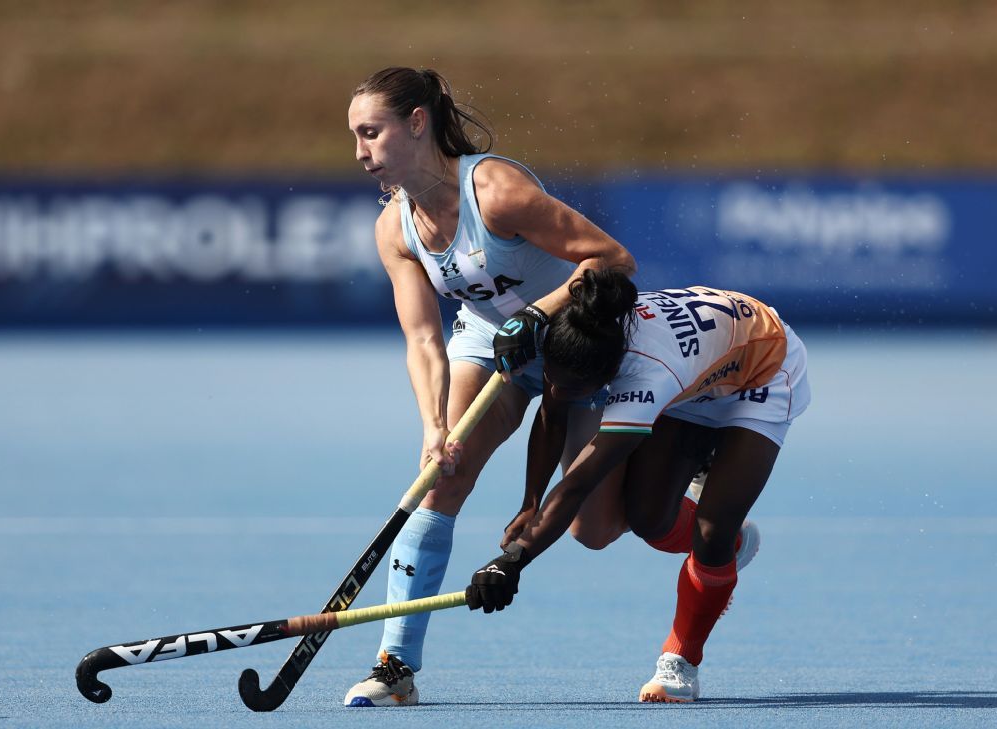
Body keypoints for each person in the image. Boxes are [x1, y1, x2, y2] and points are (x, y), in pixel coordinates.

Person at [343, 67, 637, 707]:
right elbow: (423, 340)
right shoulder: (395, 229)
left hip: (571, 345)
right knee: (440, 478)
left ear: (417, 123)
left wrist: (538, 315)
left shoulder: (496, 191)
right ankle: (397, 667)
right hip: (488, 343)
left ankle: (682, 476)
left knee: (591, 528)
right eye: (356, 137)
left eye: (371, 134)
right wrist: (434, 429)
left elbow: (612, 260)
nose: (361, 154)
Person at [465, 268, 811, 703]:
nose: (555, 387)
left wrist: (511, 561)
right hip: (697, 373)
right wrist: (530, 501)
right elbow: (553, 414)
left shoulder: (647, 376)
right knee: (648, 518)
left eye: (570, 386)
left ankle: (681, 658)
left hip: (762, 369)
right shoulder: (575, 337)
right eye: (551, 377)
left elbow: (577, 485)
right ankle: (725, 528)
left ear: (607, 377)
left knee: (712, 530)